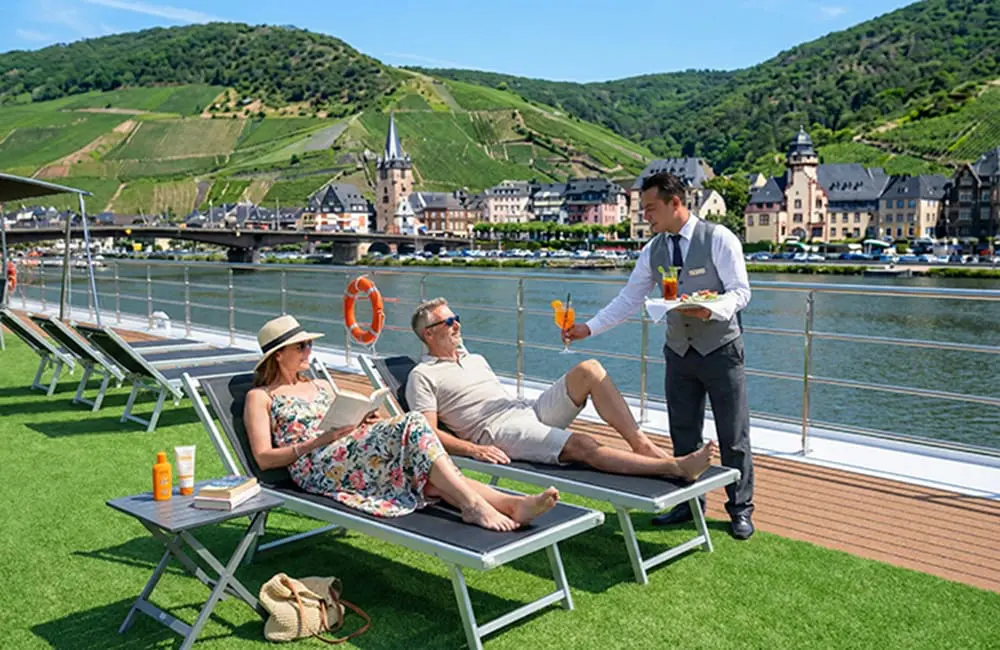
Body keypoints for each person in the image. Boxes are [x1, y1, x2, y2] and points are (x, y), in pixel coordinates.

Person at [564, 171, 755, 540]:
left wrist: (712, 309)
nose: (645, 216)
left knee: (733, 435)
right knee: (683, 433)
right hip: (679, 351)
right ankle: (688, 503)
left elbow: (740, 292)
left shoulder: (719, 238)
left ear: (675, 203)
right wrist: (588, 328)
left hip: (721, 350)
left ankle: (740, 509)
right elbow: (630, 299)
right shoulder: (653, 249)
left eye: (651, 208)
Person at [244, 314, 560, 532]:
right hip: (317, 465)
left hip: (353, 450)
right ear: (278, 355)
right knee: (412, 424)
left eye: (309, 344)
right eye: (301, 346)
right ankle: (475, 506)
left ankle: (512, 504)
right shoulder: (261, 397)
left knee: (428, 471)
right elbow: (263, 457)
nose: (308, 350)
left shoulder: (322, 385)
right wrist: (316, 442)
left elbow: (344, 418)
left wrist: (363, 417)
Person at [406, 298, 715, 481]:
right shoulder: (424, 375)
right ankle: (674, 467)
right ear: (429, 334)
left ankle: (641, 444)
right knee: (582, 444)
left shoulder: (475, 358)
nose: (458, 325)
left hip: (523, 409)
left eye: (457, 319)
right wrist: (474, 449)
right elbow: (427, 433)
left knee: (589, 369)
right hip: (497, 431)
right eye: (449, 322)